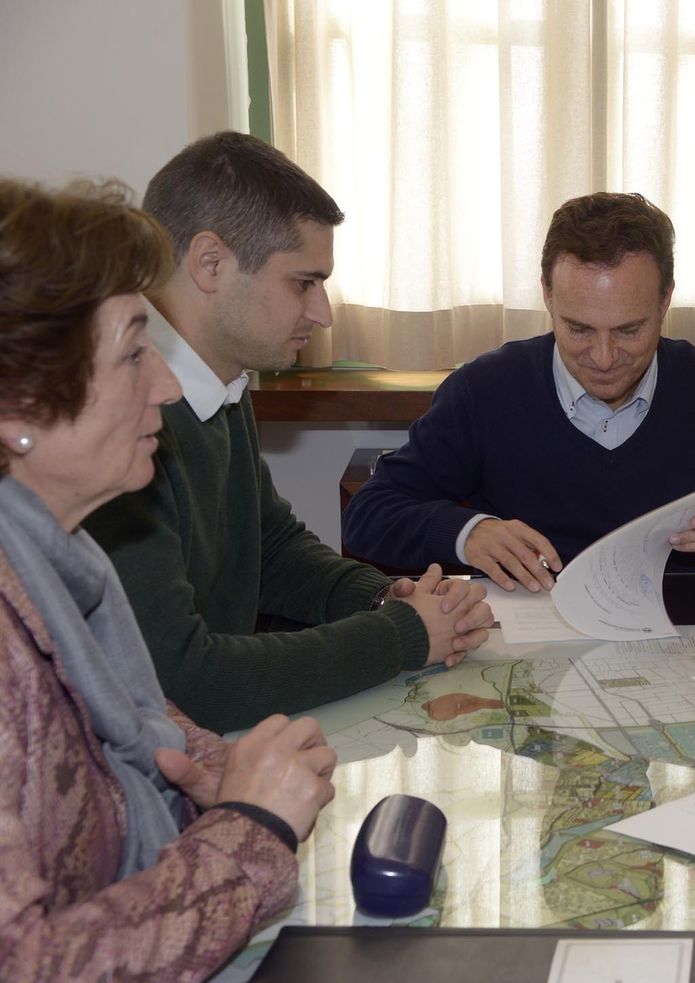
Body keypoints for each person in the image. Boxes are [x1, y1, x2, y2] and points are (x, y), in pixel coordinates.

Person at [0, 177, 336, 983]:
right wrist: (250, 830)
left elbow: (128, 718)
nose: (166, 386)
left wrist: (208, 767)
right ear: (19, 405)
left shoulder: (61, 560)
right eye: (132, 353)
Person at [84, 133, 493, 735]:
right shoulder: (123, 421)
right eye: (303, 282)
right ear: (210, 263)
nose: (322, 313)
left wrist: (384, 597)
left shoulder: (222, 383)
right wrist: (401, 635)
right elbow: (185, 680)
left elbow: (270, 547)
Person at [340, 192, 695, 591]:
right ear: (547, 295)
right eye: (578, 329)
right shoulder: (485, 389)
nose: (603, 358)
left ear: (665, 301)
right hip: (525, 649)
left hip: (672, 646)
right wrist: (467, 532)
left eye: (629, 331)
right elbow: (369, 514)